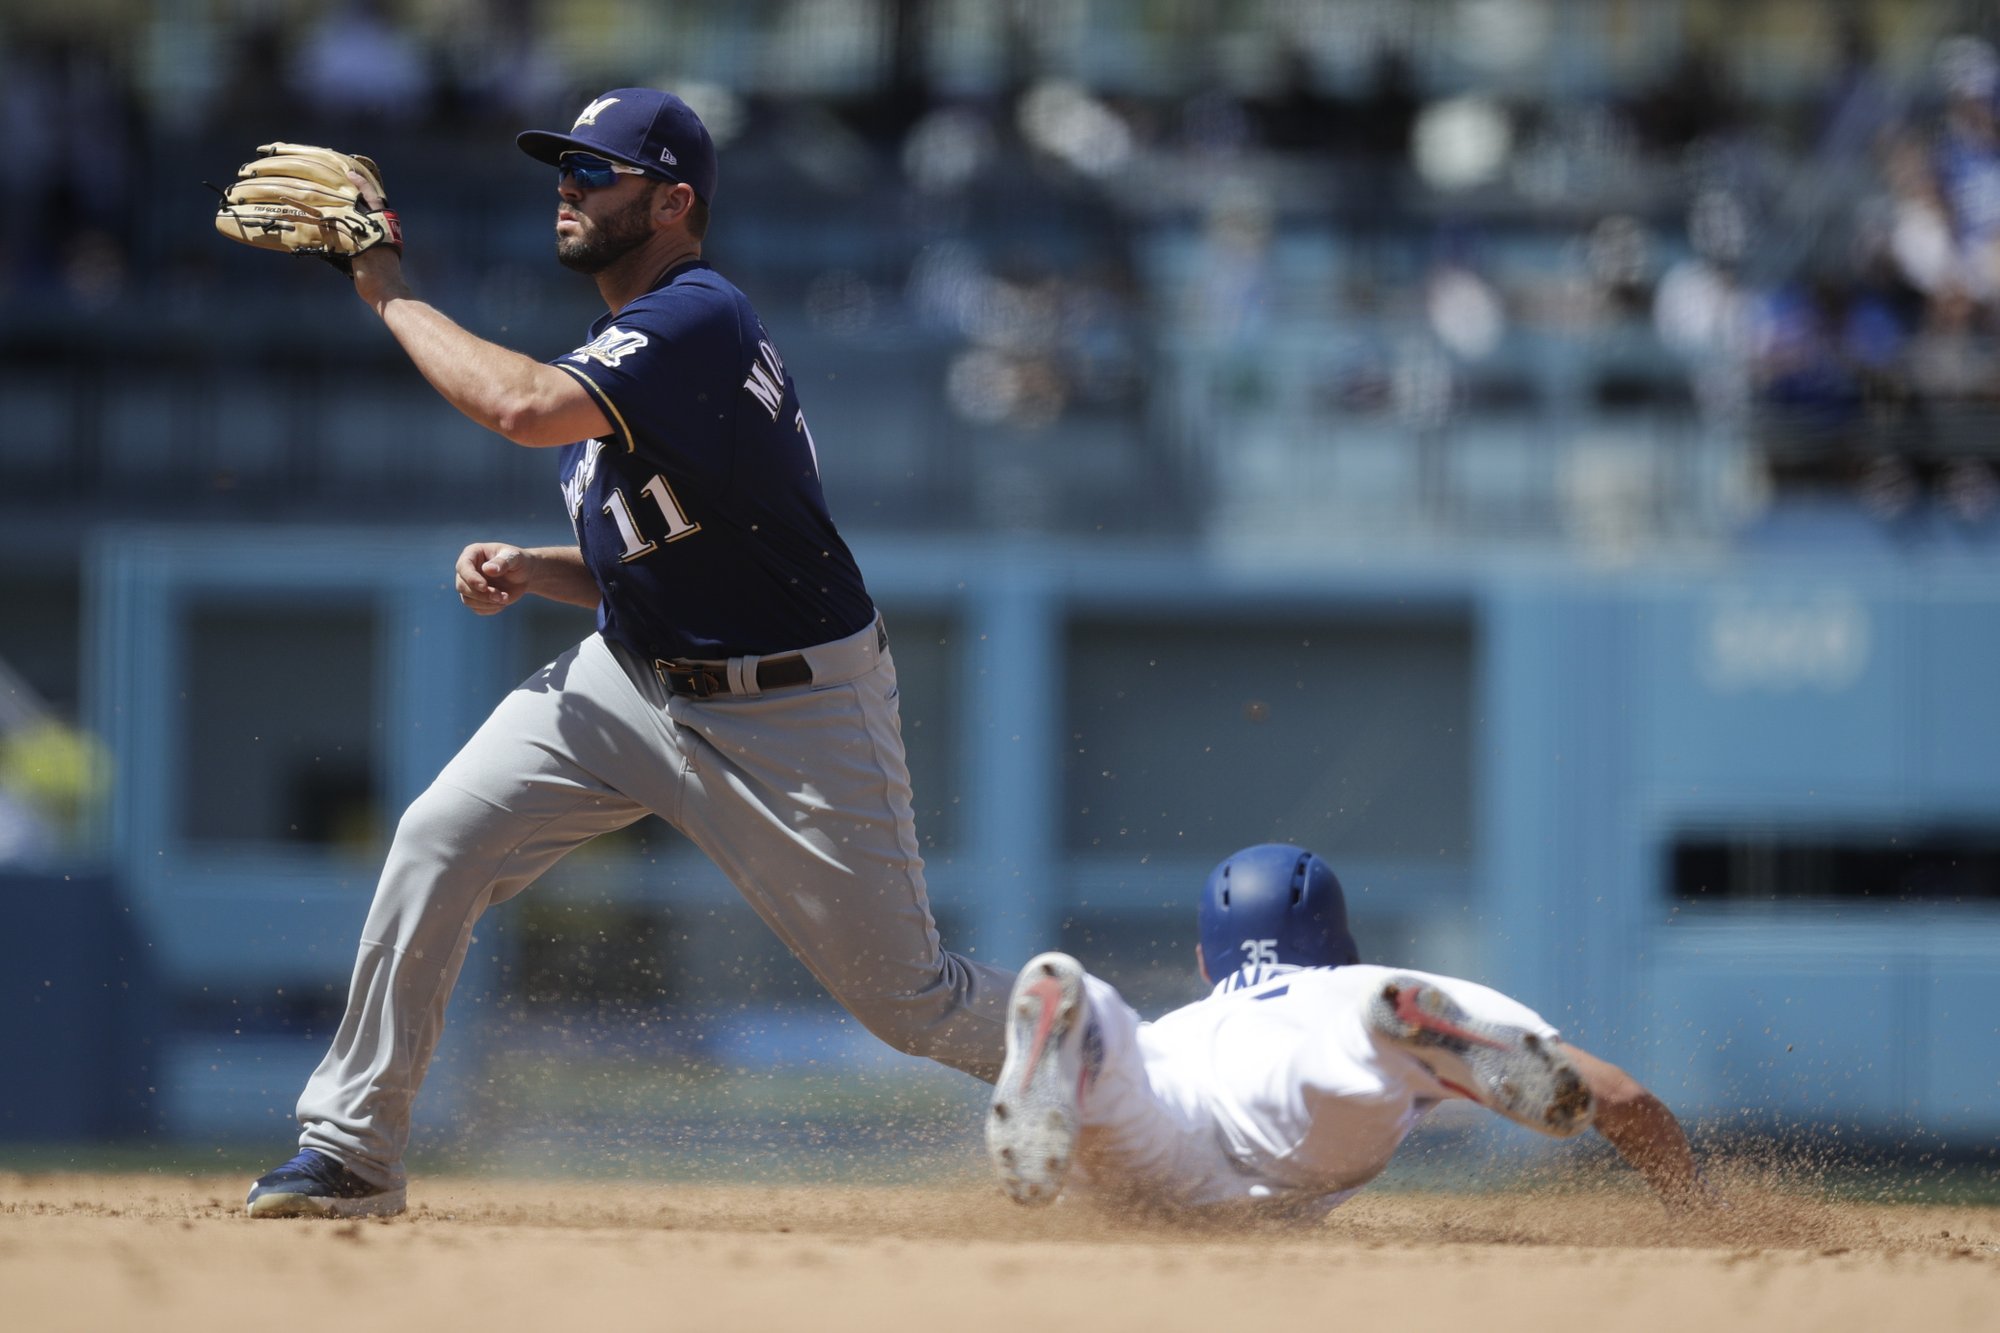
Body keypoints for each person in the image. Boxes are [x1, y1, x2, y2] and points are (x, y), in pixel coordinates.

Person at [243, 88, 1015, 1218]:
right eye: (565, 165)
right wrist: (541, 565)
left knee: (912, 1002)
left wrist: (384, 280)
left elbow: (517, 406)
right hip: (633, 673)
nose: (568, 183)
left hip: (789, 700)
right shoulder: (640, 341)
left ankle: (1169, 1079)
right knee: (439, 836)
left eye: (596, 171)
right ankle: (353, 1148)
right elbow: (669, 536)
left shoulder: (696, 317)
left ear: (673, 203)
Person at [985, 843, 1717, 1219]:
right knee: (1344, 1066)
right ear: (1342, 942)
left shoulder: (1193, 1020)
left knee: (1121, 1082)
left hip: (1171, 1112)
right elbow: (1618, 1096)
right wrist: (1692, 1209)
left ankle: (1082, 1014)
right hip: (1298, 1130)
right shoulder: (1352, 985)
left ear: (1207, 958)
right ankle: (1389, 1042)